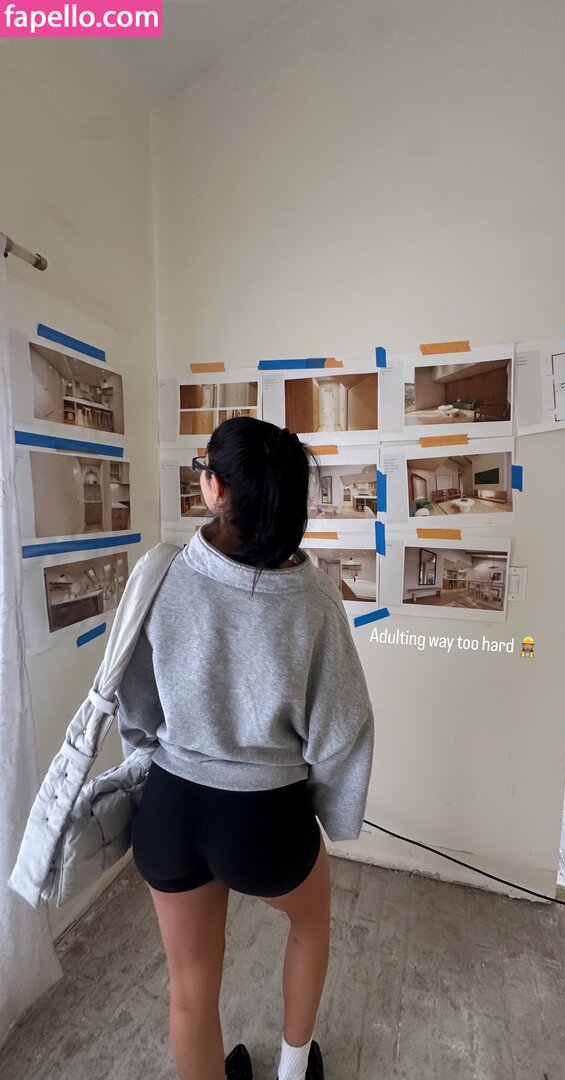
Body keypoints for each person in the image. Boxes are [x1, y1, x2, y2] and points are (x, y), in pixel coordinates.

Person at [116, 416, 375, 1080]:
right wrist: (329, 813)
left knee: (189, 990)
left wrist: (152, 756)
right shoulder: (315, 599)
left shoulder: (160, 573)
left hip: (171, 811)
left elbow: (134, 700)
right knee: (311, 922)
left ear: (216, 489)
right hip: (264, 817)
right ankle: (293, 1071)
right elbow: (342, 729)